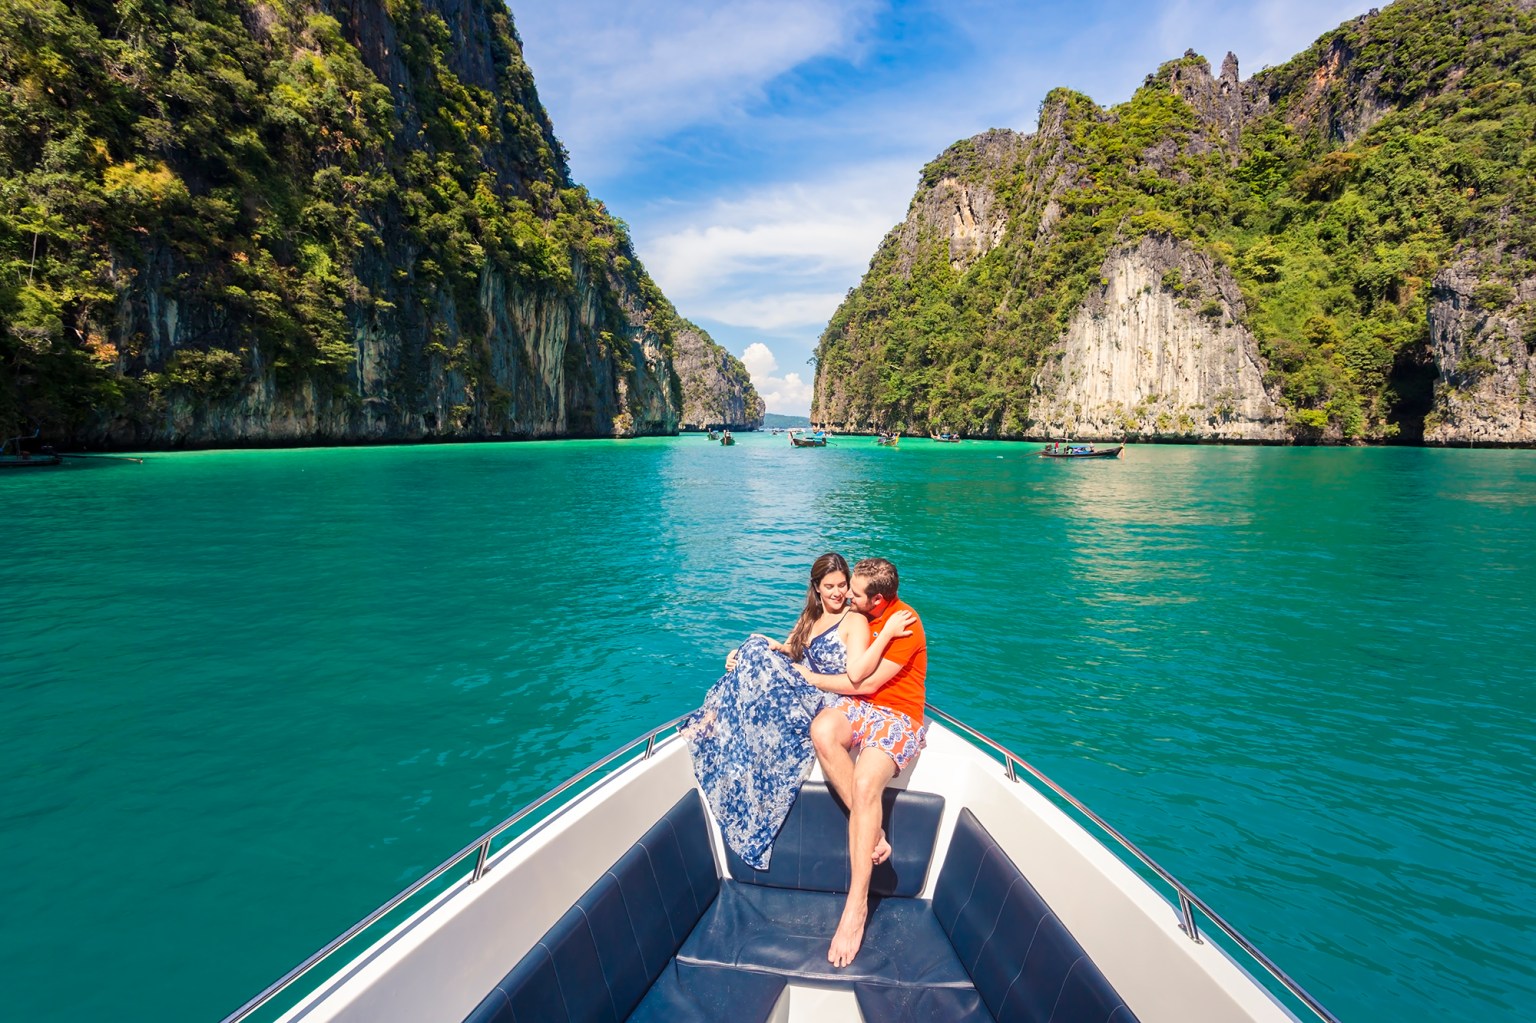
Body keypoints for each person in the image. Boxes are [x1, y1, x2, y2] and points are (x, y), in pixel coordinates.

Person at [680, 553, 914, 869]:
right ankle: (716, 717)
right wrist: (754, 650)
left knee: (758, 664)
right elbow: (792, 651)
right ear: (816, 587)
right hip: (800, 687)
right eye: (829, 586)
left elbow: (855, 676)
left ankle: (712, 721)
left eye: (842, 586)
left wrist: (808, 675)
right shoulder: (810, 615)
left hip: (826, 698)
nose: (837, 593)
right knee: (753, 648)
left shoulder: (853, 620)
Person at [794, 557, 927, 969]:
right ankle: (876, 833)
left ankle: (856, 909)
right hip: (859, 711)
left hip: (897, 717)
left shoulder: (903, 622)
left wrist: (809, 678)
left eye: (853, 593)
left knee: (868, 784)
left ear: (878, 599)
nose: (845, 597)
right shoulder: (859, 612)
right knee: (822, 731)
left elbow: (864, 682)